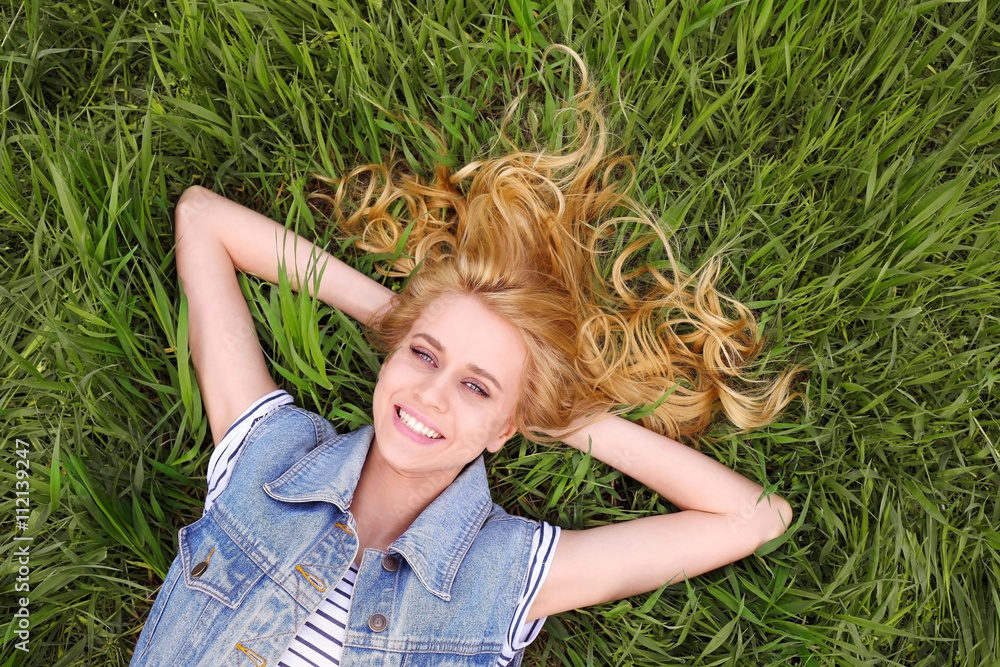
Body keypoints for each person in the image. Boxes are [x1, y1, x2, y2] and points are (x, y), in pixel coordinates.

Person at [129, 48, 797, 666]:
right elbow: (202, 220)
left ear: (507, 429)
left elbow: (756, 515)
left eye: (478, 388)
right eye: (424, 355)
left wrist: (557, 416)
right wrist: (396, 316)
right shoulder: (269, 462)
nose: (431, 393)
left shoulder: (501, 574)